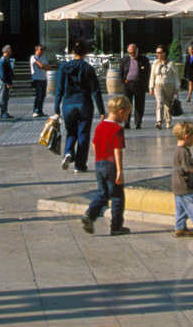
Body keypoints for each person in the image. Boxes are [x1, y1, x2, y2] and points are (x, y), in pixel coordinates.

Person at [80, 96, 131, 236]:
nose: (126, 119)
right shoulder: (117, 129)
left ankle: (90, 215)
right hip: (111, 165)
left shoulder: (100, 125)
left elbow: (94, 143)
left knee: (103, 193)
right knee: (117, 197)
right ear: (121, 112)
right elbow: (117, 150)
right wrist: (120, 171)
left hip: (99, 163)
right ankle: (116, 227)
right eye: (127, 115)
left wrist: (98, 159)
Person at [55, 38, 105, 173]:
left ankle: (68, 152)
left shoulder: (63, 67)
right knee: (83, 134)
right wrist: (102, 111)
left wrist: (56, 110)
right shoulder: (88, 68)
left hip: (68, 104)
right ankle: (80, 165)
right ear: (86, 53)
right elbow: (96, 91)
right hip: (84, 103)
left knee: (71, 132)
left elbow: (59, 89)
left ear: (72, 51)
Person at [118, 43, 148, 129]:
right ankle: (126, 123)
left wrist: (146, 86)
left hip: (139, 85)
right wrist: (123, 82)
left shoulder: (143, 60)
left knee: (139, 105)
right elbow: (121, 72)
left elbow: (147, 73)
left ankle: (138, 123)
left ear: (137, 50)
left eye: (134, 52)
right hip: (128, 85)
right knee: (127, 105)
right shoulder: (125, 60)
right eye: (130, 53)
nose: (132, 54)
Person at [150, 45, 178, 129]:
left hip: (170, 84)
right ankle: (159, 121)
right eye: (157, 53)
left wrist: (177, 88)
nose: (158, 54)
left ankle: (168, 122)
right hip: (158, 85)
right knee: (160, 102)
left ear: (164, 53)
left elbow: (176, 76)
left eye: (159, 52)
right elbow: (152, 76)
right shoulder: (155, 63)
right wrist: (151, 87)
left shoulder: (171, 63)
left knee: (168, 104)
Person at [28, 43, 52, 118]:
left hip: (44, 78)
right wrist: (43, 66)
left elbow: (48, 67)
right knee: (38, 95)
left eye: (43, 50)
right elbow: (40, 66)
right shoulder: (33, 57)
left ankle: (40, 110)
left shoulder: (44, 58)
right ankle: (35, 111)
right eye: (40, 49)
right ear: (36, 50)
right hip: (37, 78)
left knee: (42, 95)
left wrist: (44, 66)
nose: (42, 51)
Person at [0, 45, 15, 120]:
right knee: (3, 96)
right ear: (6, 51)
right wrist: (7, 83)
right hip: (3, 82)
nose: (11, 52)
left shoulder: (7, 60)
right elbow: (2, 74)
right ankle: (2, 112)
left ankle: (5, 111)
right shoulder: (2, 60)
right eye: (10, 50)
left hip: (7, 81)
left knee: (6, 97)